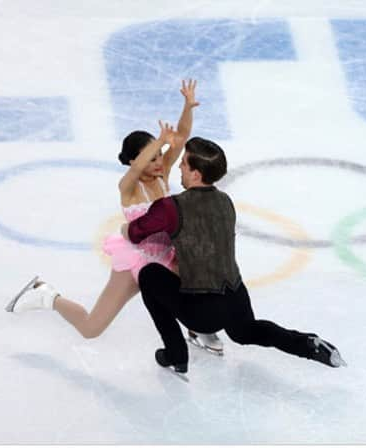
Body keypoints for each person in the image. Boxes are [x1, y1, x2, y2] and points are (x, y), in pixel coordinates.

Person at [6, 80, 223, 355]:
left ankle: (198, 329)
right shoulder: (129, 187)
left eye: (160, 156)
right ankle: (46, 296)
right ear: (134, 161)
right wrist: (157, 140)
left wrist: (187, 106)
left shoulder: (163, 175)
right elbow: (142, 165)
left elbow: (180, 138)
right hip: (136, 260)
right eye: (151, 157)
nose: (159, 161)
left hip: (167, 256)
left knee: (195, 282)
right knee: (91, 328)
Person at [123, 134, 346, 376]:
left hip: (202, 310)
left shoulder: (169, 207)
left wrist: (126, 229)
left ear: (196, 174)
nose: (179, 167)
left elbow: (136, 234)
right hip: (235, 297)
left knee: (148, 274)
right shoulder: (225, 201)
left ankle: (176, 352)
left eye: (185, 164)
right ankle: (306, 344)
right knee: (248, 332)